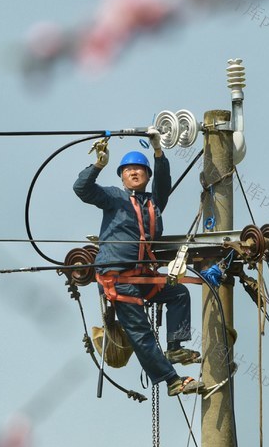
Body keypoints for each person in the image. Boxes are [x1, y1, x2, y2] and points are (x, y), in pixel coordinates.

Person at [74, 129, 203, 397]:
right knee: (141, 331)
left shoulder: (153, 203)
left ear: (147, 175)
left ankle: (175, 347)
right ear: (122, 176)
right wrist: (98, 165)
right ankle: (172, 381)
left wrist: (158, 152)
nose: (134, 172)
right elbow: (82, 189)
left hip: (141, 276)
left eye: (139, 169)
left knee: (178, 292)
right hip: (118, 279)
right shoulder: (113, 197)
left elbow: (164, 184)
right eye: (128, 170)